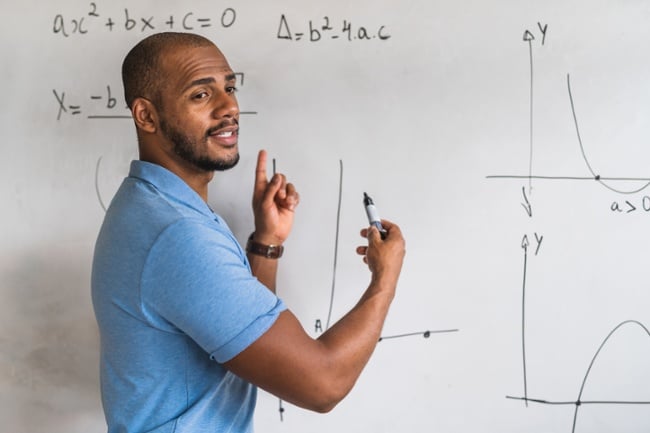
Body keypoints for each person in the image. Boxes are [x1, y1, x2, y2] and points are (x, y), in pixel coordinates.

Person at [91, 31, 405, 433]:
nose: (230, 107)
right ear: (147, 116)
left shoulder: (152, 205)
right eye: (201, 95)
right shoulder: (177, 234)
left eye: (230, 87)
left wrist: (267, 242)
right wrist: (386, 279)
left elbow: (246, 339)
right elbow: (323, 383)